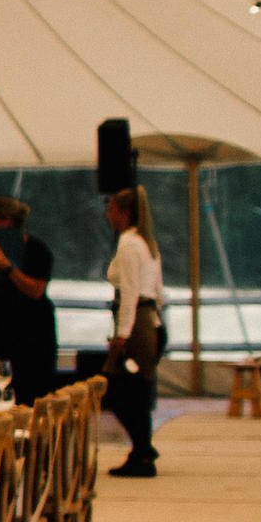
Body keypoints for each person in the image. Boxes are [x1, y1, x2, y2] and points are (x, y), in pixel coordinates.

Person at [0, 195, 59, 404]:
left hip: (32, 333)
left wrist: (8, 268)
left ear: (7, 220)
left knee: (31, 392)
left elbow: (36, 291)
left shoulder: (36, 250)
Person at [103, 184, 166, 477]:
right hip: (149, 319)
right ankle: (142, 449)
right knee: (137, 390)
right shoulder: (147, 242)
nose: (108, 215)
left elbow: (128, 291)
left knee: (119, 391)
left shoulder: (129, 244)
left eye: (111, 209)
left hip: (136, 322)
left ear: (124, 213)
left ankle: (142, 448)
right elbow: (158, 290)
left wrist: (122, 334)